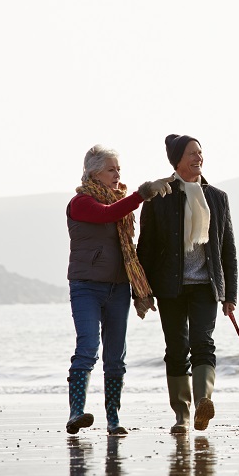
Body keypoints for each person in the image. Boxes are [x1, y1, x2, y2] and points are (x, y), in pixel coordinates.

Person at [66, 145, 171, 436]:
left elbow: (126, 234)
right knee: (87, 349)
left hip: (119, 287)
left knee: (116, 357)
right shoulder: (81, 202)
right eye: (111, 169)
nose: (117, 174)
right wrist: (143, 193)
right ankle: (76, 413)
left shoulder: (121, 202)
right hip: (86, 286)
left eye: (119, 169)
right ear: (93, 172)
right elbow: (108, 214)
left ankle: (113, 419)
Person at [137, 134, 238, 434]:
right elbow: (146, 247)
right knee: (177, 349)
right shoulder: (160, 197)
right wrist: (141, 291)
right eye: (192, 153)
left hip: (205, 285)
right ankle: (182, 414)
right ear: (177, 160)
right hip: (170, 286)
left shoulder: (218, 198)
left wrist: (229, 294)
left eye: (201, 152)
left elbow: (227, 248)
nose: (199, 158)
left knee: (203, 344)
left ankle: (202, 402)